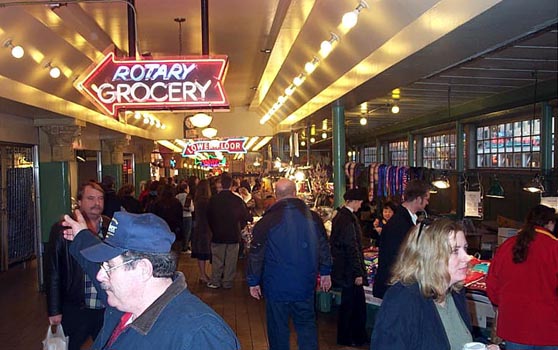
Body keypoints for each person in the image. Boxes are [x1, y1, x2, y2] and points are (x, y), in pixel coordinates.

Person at [60, 210, 241, 350]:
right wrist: (82, 236)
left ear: (143, 269)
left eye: (109, 266)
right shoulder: (127, 302)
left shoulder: (199, 335)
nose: (100, 275)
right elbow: (94, 267)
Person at [371, 218, 499, 350]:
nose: (467, 257)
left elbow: (461, 338)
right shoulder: (402, 299)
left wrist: (484, 346)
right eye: (455, 251)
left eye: (465, 248)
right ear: (430, 257)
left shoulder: (455, 292)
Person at [247, 178, 332, 350]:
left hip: (276, 285)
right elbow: (323, 245)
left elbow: (256, 253)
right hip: (304, 284)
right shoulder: (313, 217)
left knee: (278, 330)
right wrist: (325, 271)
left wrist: (253, 281)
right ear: (295, 193)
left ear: (276, 196)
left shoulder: (267, 220)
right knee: (306, 327)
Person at [45, 181, 110, 350]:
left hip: (107, 306)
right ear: (79, 202)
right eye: (90, 198)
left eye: (100, 198)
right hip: (77, 307)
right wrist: (54, 310)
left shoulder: (111, 227)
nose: (97, 203)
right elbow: (53, 271)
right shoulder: (62, 230)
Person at [486, 204, 558, 349]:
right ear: (550, 223)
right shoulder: (554, 247)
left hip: (514, 328)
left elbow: (492, 285)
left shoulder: (507, 245)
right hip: (549, 329)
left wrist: (502, 304)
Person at [373, 179, 430, 298]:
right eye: (426, 199)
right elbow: (399, 258)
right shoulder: (399, 224)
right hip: (395, 287)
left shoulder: (405, 220)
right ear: (418, 199)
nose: (427, 203)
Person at [330, 188, 369, 347]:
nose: (361, 205)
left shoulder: (340, 216)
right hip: (349, 271)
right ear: (353, 201)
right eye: (360, 202)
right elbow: (351, 247)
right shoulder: (348, 220)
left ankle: (351, 336)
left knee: (351, 305)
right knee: (352, 306)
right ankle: (351, 337)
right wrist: (358, 272)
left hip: (344, 269)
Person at [206, 172, 253, 289]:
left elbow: (208, 216)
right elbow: (246, 216)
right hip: (233, 234)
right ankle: (227, 282)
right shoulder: (237, 200)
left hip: (217, 234)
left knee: (217, 260)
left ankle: (215, 281)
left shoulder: (213, 200)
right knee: (231, 261)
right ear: (231, 185)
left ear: (221, 185)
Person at [191, 179, 212, 283]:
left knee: (200, 253)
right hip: (207, 228)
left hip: (198, 227)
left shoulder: (197, 200)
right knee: (206, 251)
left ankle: (202, 274)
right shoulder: (207, 201)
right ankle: (205, 275)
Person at [176, 182, 194, 254]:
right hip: (188, 216)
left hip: (180, 216)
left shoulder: (177, 196)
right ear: (185, 189)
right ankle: (185, 247)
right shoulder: (188, 196)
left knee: (181, 232)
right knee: (187, 232)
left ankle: (181, 246)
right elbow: (192, 208)